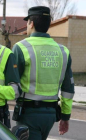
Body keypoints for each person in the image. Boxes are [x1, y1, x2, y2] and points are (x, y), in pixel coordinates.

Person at [12, 6, 75, 140]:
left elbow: (13, 83)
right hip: (51, 114)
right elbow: (68, 89)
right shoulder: (63, 51)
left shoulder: (21, 47)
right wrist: (65, 116)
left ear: (31, 23)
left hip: (28, 113)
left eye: (27, 22)